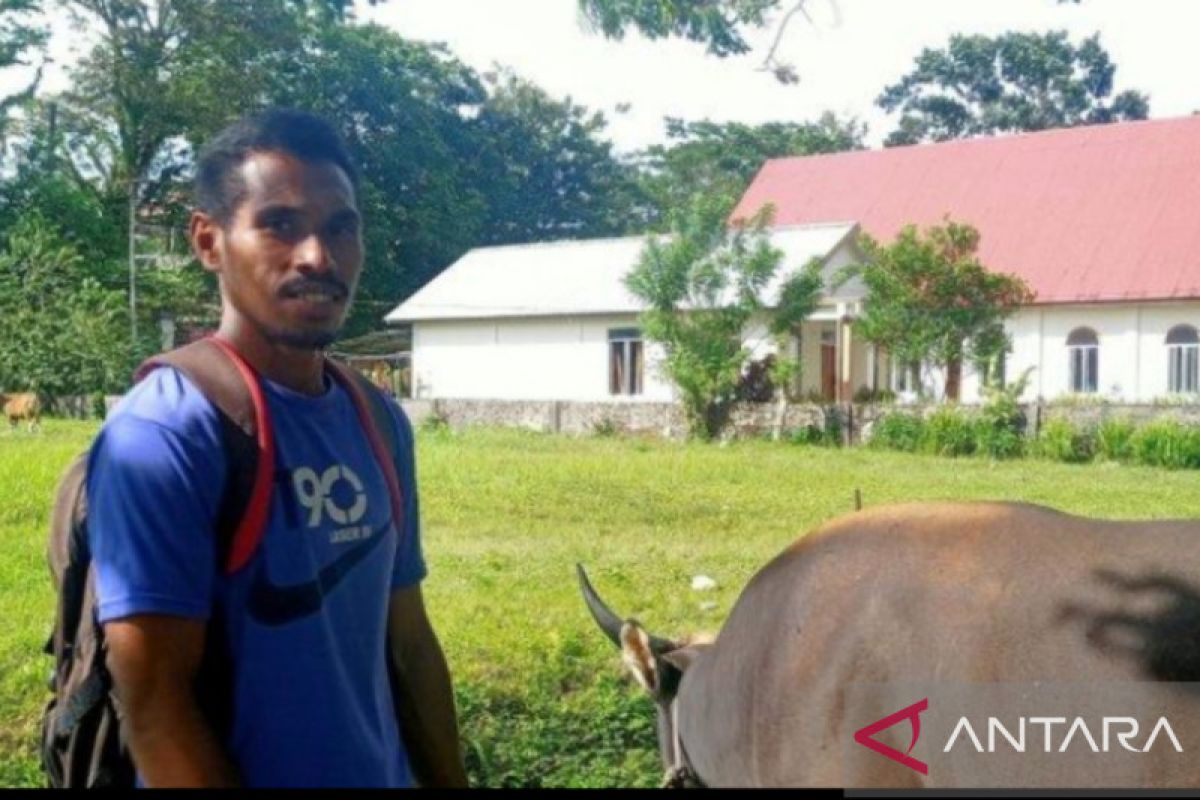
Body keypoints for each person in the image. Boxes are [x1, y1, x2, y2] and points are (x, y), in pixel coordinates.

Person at [85, 109, 468, 788]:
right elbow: (155, 706)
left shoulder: (377, 419)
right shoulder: (164, 433)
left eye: (340, 228)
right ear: (209, 241)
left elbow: (408, 646)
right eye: (280, 224)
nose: (318, 256)